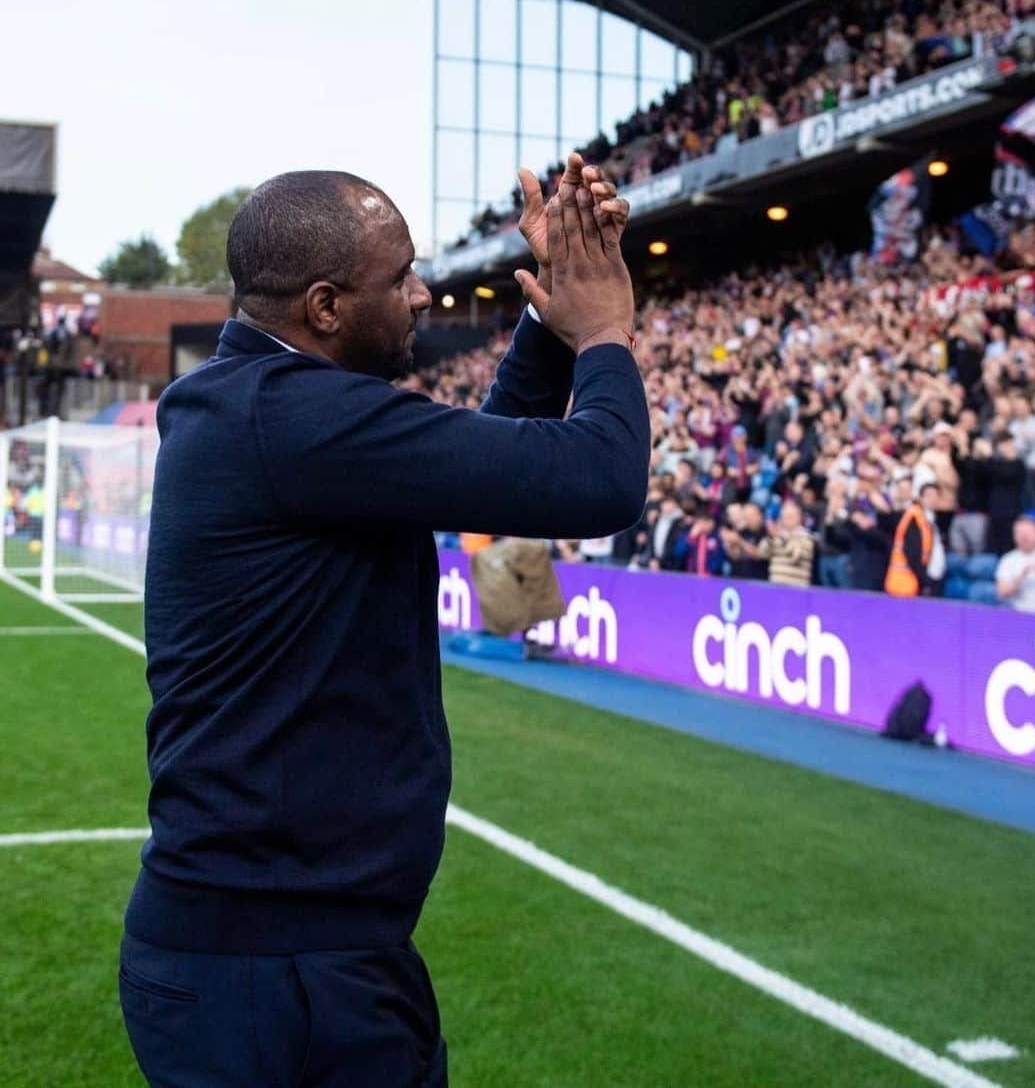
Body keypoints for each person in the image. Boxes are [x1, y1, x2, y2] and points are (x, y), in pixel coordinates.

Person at [118, 155, 649, 1087]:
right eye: (398, 275)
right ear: (323, 307)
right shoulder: (294, 421)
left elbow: (476, 465)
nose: (423, 290)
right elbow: (598, 477)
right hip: (278, 974)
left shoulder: (267, 406)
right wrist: (602, 327)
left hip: (286, 953)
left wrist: (544, 320)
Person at [884, 481, 945, 598]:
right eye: (929, 495)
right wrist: (925, 581)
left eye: (936, 496)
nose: (933, 499)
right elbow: (912, 552)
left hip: (922, 579)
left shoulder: (930, 520)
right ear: (920, 498)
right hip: (906, 582)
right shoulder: (914, 518)